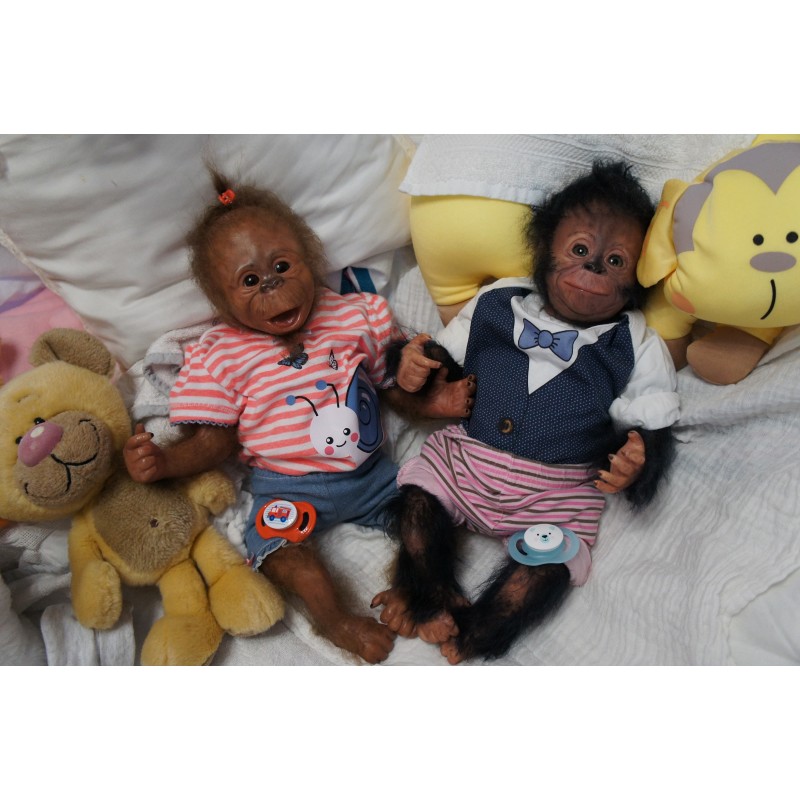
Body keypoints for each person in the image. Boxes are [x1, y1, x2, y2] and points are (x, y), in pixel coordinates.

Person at [124, 169, 473, 663]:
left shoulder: (354, 315)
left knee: (427, 510)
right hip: (286, 489)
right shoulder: (218, 354)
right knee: (291, 563)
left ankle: (419, 590)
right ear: (221, 301)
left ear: (310, 261)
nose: (273, 285)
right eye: (250, 281)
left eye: (283, 266)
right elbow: (214, 442)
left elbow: (389, 389)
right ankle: (335, 621)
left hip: (373, 478)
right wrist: (163, 462)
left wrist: (429, 399)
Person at [372, 161, 680, 664]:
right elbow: (441, 360)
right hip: (465, 463)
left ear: (638, 279)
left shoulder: (637, 342)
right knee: (416, 505)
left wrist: (637, 461)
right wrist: (412, 365)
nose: (593, 270)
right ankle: (431, 593)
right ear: (542, 246)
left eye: (615, 261)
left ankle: (478, 633)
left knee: (547, 570)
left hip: (557, 490)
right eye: (579, 250)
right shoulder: (499, 300)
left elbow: (652, 425)